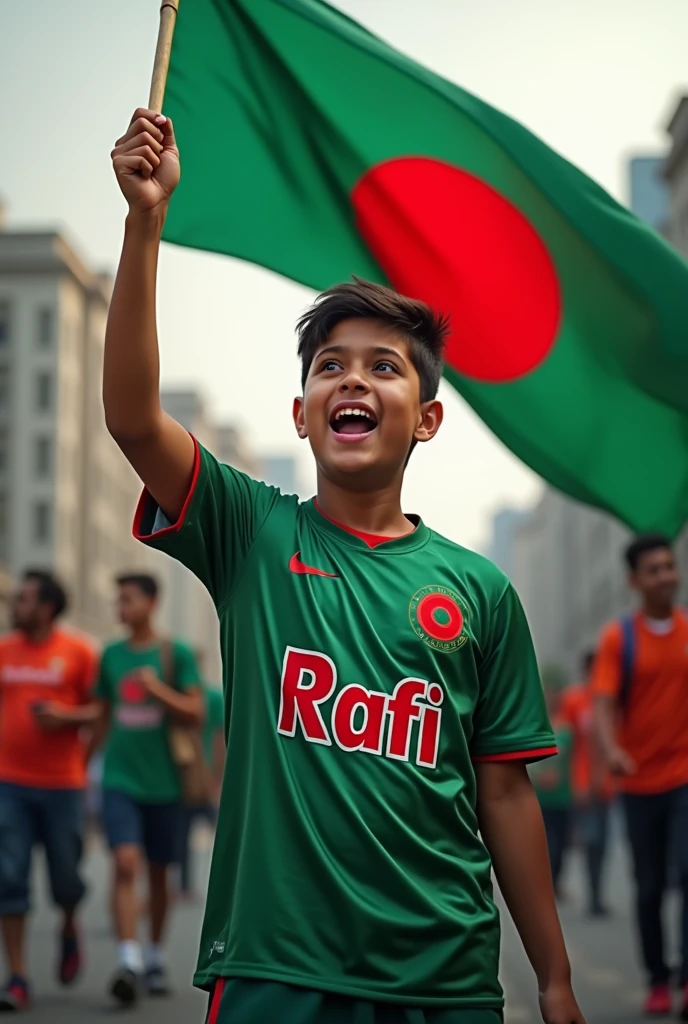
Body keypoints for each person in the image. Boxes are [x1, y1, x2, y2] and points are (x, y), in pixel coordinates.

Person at [103, 106, 585, 1024]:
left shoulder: (479, 591)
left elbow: (505, 790)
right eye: (331, 366)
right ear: (302, 412)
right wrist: (144, 223)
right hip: (274, 974)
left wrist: (554, 978)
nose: (354, 380)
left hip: (443, 980)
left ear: (428, 418)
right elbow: (132, 418)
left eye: (384, 368)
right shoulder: (250, 531)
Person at [91, 573, 202, 1007]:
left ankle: (155, 955)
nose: (121, 607)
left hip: (165, 783)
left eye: (128, 599)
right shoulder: (111, 656)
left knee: (159, 875)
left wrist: (157, 690)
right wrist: (82, 769)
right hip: (119, 778)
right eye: (117, 600)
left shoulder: (174, 654)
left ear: (152, 603)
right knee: (124, 861)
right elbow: (102, 714)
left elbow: (195, 710)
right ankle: (129, 961)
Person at [593, 533, 688, 1019]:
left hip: (684, 776)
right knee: (649, 886)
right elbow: (604, 704)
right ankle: (657, 978)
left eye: (669, 566)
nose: (666, 576)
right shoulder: (619, 638)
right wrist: (612, 752)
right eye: (654, 569)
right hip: (636, 781)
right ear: (634, 581)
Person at [0, 570, 98, 1010]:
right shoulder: (4, 650)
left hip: (63, 785)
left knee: (66, 878)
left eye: (22, 599)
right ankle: (18, 976)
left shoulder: (78, 652)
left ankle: (69, 924)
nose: (14, 606)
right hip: (9, 784)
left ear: (45, 608)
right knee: (9, 876)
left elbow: (102, 709)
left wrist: (66, 716)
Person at [560, 653, 613, 917]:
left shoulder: (610, 701)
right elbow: (566, 746)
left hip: (607, 786)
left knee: (603, 844)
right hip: (582, 786)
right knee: (590, 841)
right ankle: (592, 897)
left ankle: (598, 896)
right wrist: (572, 783)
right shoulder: (574, 700)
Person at [178, 667, 225, 900]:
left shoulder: (212, 698)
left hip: (198, 775)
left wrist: (216, 778)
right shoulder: (179, 696)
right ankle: (185, 885)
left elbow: (219, 739)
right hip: (189, 776)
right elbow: (220, 740)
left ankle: (186, 886)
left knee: (218, 829)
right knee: (219, 831)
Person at [530, 687, 574, 901]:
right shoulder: (534, 727)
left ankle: (556, 882)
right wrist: (538, 775)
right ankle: (544, 884)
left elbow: (574, 760)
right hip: (540, 797)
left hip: (562, 796)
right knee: (544, 843)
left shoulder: (566, 729)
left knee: (562, 843)